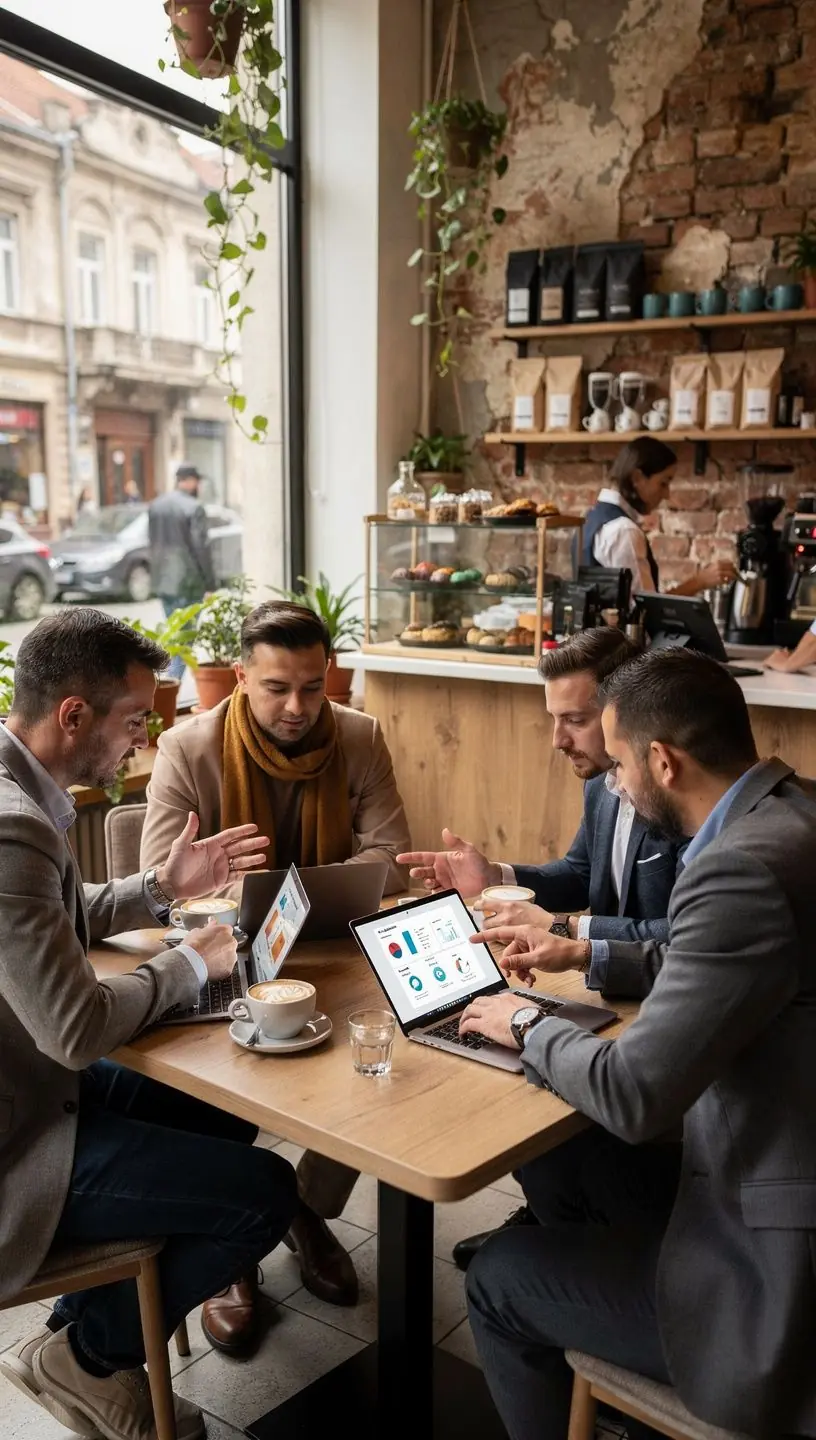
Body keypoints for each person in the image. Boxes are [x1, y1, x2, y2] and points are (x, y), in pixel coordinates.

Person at [460, 648, 816, 1440]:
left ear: (663, 759)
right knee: (564, 1158)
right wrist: (587, 951)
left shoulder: (737, 869)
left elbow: (632, 1093)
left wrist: (522, 1022)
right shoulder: (795, 816)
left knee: (497, 1279)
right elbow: (723, 961)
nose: (612, 782)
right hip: (770, 1163)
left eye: (618, 763)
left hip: (773, 1279)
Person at [0, 609, 298, 1440]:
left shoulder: (14, 785)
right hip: (18, 1142)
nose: (145, 736)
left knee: (229, 1105)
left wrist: (161, 887)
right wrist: (185, 965)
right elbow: (71, 1028)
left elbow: (62, 914)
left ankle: (88, 1317)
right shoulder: (11, 825)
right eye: (136, 720)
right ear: (72, 716)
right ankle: (88, 1356)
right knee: (263, 1196)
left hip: (27, 1090)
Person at [140, 600, 411, 1348]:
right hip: (224, 955)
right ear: (238, 679)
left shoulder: (360, 737)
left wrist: (302, 891)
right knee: (213, 1072)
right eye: (276, 688)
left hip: (332, 947)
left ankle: (307, 1209)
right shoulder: (187, 748)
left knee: (382, 1044)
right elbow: (159, 883)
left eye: (313, 688)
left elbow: (390, 854)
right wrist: (237, 897)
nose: (297, 707)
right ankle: (234, 1247)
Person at [398, 626, 685, 1271]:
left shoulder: (679, 798)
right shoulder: (603, 784)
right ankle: (557, 1217)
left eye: (576, 721)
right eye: (553, 719)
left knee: (534, 1066)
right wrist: (493, 877)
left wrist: (570, 935)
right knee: (509, 1054)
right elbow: (580, 874)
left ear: (624, 713)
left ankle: (578, 1246)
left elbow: (692, 943)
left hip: (664, 1010)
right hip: (616, 996)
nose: (558, 740)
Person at [583, 436, 735, 597]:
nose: (667, 494)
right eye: (663, 483)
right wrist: (700, 581)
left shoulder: (591, 518)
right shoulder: (623, 530)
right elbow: (645, 610)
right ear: (637, 478)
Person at [148, 464, 215, 681]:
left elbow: (153, 542)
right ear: (190, 481)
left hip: (162, 581)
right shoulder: (194, 507)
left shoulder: (156, 506)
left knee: (173, 635)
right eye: (197, 481)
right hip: (187, 582)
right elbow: (201, 549)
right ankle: (171, 684)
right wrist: (210, 584)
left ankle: (167, 684)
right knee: (185, 638)